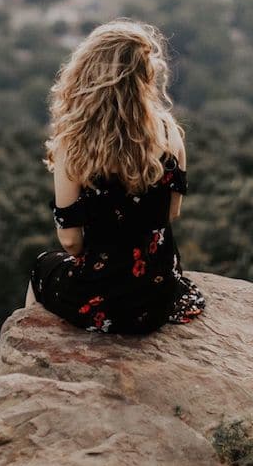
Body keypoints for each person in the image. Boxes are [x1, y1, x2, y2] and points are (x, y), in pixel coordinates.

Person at [25, 19, 206, 335]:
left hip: (102, 298)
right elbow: (172, 213)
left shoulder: (76, 142)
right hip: (158, 296)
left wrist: (103, 257)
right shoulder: (169, 132)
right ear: (145, 76)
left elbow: (70, 241)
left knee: (41, 267)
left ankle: (30, 354)